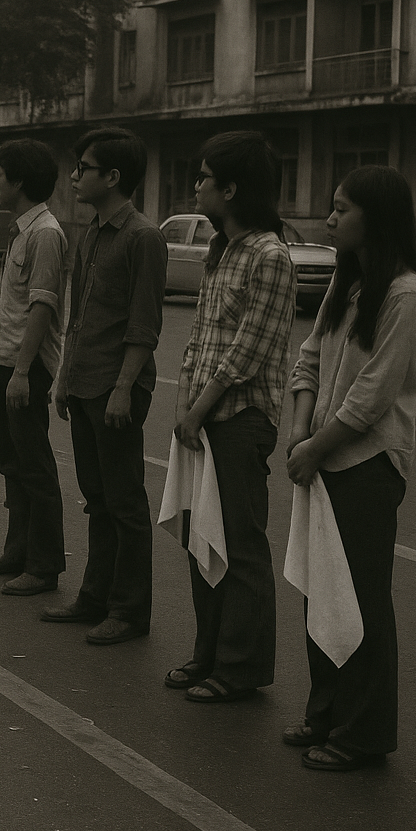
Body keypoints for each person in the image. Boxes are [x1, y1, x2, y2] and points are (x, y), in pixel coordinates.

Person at [283, 165, 416, 772]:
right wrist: (299, 429)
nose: (330, 218)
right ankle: (327, 711)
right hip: (320, 457)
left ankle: (364, 731)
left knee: (362, 600)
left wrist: (315, 448)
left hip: (367, 467)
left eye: (342, 209)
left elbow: (371, 400)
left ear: (377, 217)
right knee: (324, 595)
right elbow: (310, 357)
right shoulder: (348, 284)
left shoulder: (405, 297)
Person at [167, 132, 297, 702]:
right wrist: (184, 406)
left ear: (232, 187)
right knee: (202, 538)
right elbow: (200, 337)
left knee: (240, 545)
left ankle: (241, 667)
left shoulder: (270, 254)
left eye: (203, 177)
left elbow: (248, 351)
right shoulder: (223, 248)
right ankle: (209, 653)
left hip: (240, 418)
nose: (196, 185)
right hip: (202, 416)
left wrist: (197, 410)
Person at [43, 127, 167, 645]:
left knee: (125, 503)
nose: (74, 177)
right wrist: (65, 378)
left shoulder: (143, 237)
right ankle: (95, 596)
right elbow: (80, 317)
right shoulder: (90, 231)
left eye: (84, 169)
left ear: (112, 177)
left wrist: (122, 389)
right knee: (96, 498)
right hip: (85, 382)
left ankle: (129, 610)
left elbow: (143, 325)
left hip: (117, 389)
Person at [0, 139, 68, 595]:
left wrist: (24, 372)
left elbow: (43, 306)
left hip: (22, 366)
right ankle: (18, 550)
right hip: (5, 359)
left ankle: (44, 564)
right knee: (12, 461)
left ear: (19, 181)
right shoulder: (21, 230)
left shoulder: (45, 233)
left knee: (34, 465)